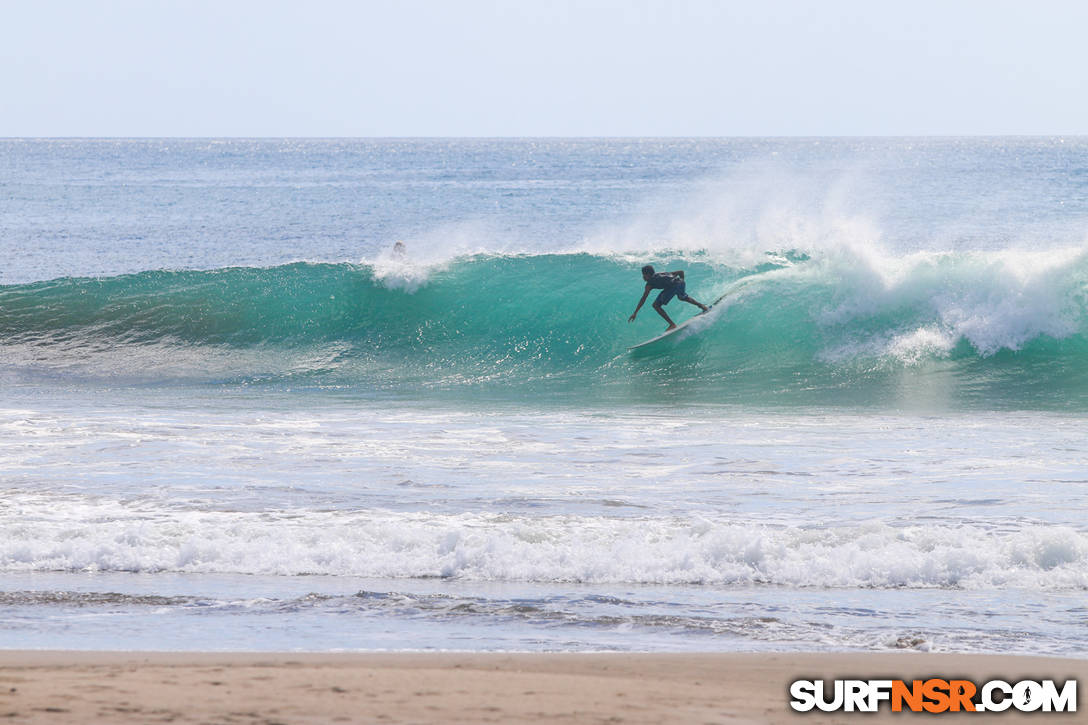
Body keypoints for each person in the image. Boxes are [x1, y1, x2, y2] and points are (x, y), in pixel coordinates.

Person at [628, 265, 710, 331]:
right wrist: (682, 282)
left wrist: (635, 312)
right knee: (682, 297)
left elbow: (643, 298)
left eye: (644, 275)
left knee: (656, 305)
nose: (643, 277)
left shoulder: (649, 284)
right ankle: (702, 306)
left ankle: (672, 324)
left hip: (674, 286)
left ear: (648, 275)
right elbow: (681, 272)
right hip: (680, 282)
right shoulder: (662, 273)